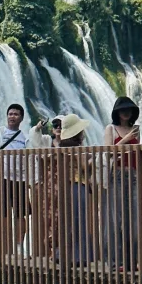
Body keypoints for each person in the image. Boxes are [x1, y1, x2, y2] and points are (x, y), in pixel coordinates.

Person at [0, 103, 44, 252]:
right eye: (10, 114)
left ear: (21, 118)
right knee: (2, 213)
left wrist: (35, 180)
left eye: (16, 114)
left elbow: (32, 160)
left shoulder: (24, 139)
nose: (12, 116)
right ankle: (3, 245)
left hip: (20, 179)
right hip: (1, 178)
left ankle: (19, 246)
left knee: (21, 214)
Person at [103, 97, 140, 267]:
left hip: (133, 175)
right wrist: (126, 140)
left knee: (133, 218)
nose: (126, 112)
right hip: (116, 175)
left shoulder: (134, 129)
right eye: (123, 109)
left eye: (129, 109)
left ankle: (131, 260)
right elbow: (108, 152)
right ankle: (113, 261)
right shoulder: (111, 128)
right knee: (114, 217)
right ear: (117, 112)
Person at [57, 113, 92, 267]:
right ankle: (79, 256)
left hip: (66, 186)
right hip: (79, 184)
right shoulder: (78, 148)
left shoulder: (62, 147)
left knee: (68, 221)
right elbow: (84, 167)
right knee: (80, 220)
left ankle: (63, 254)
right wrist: (94, 159)